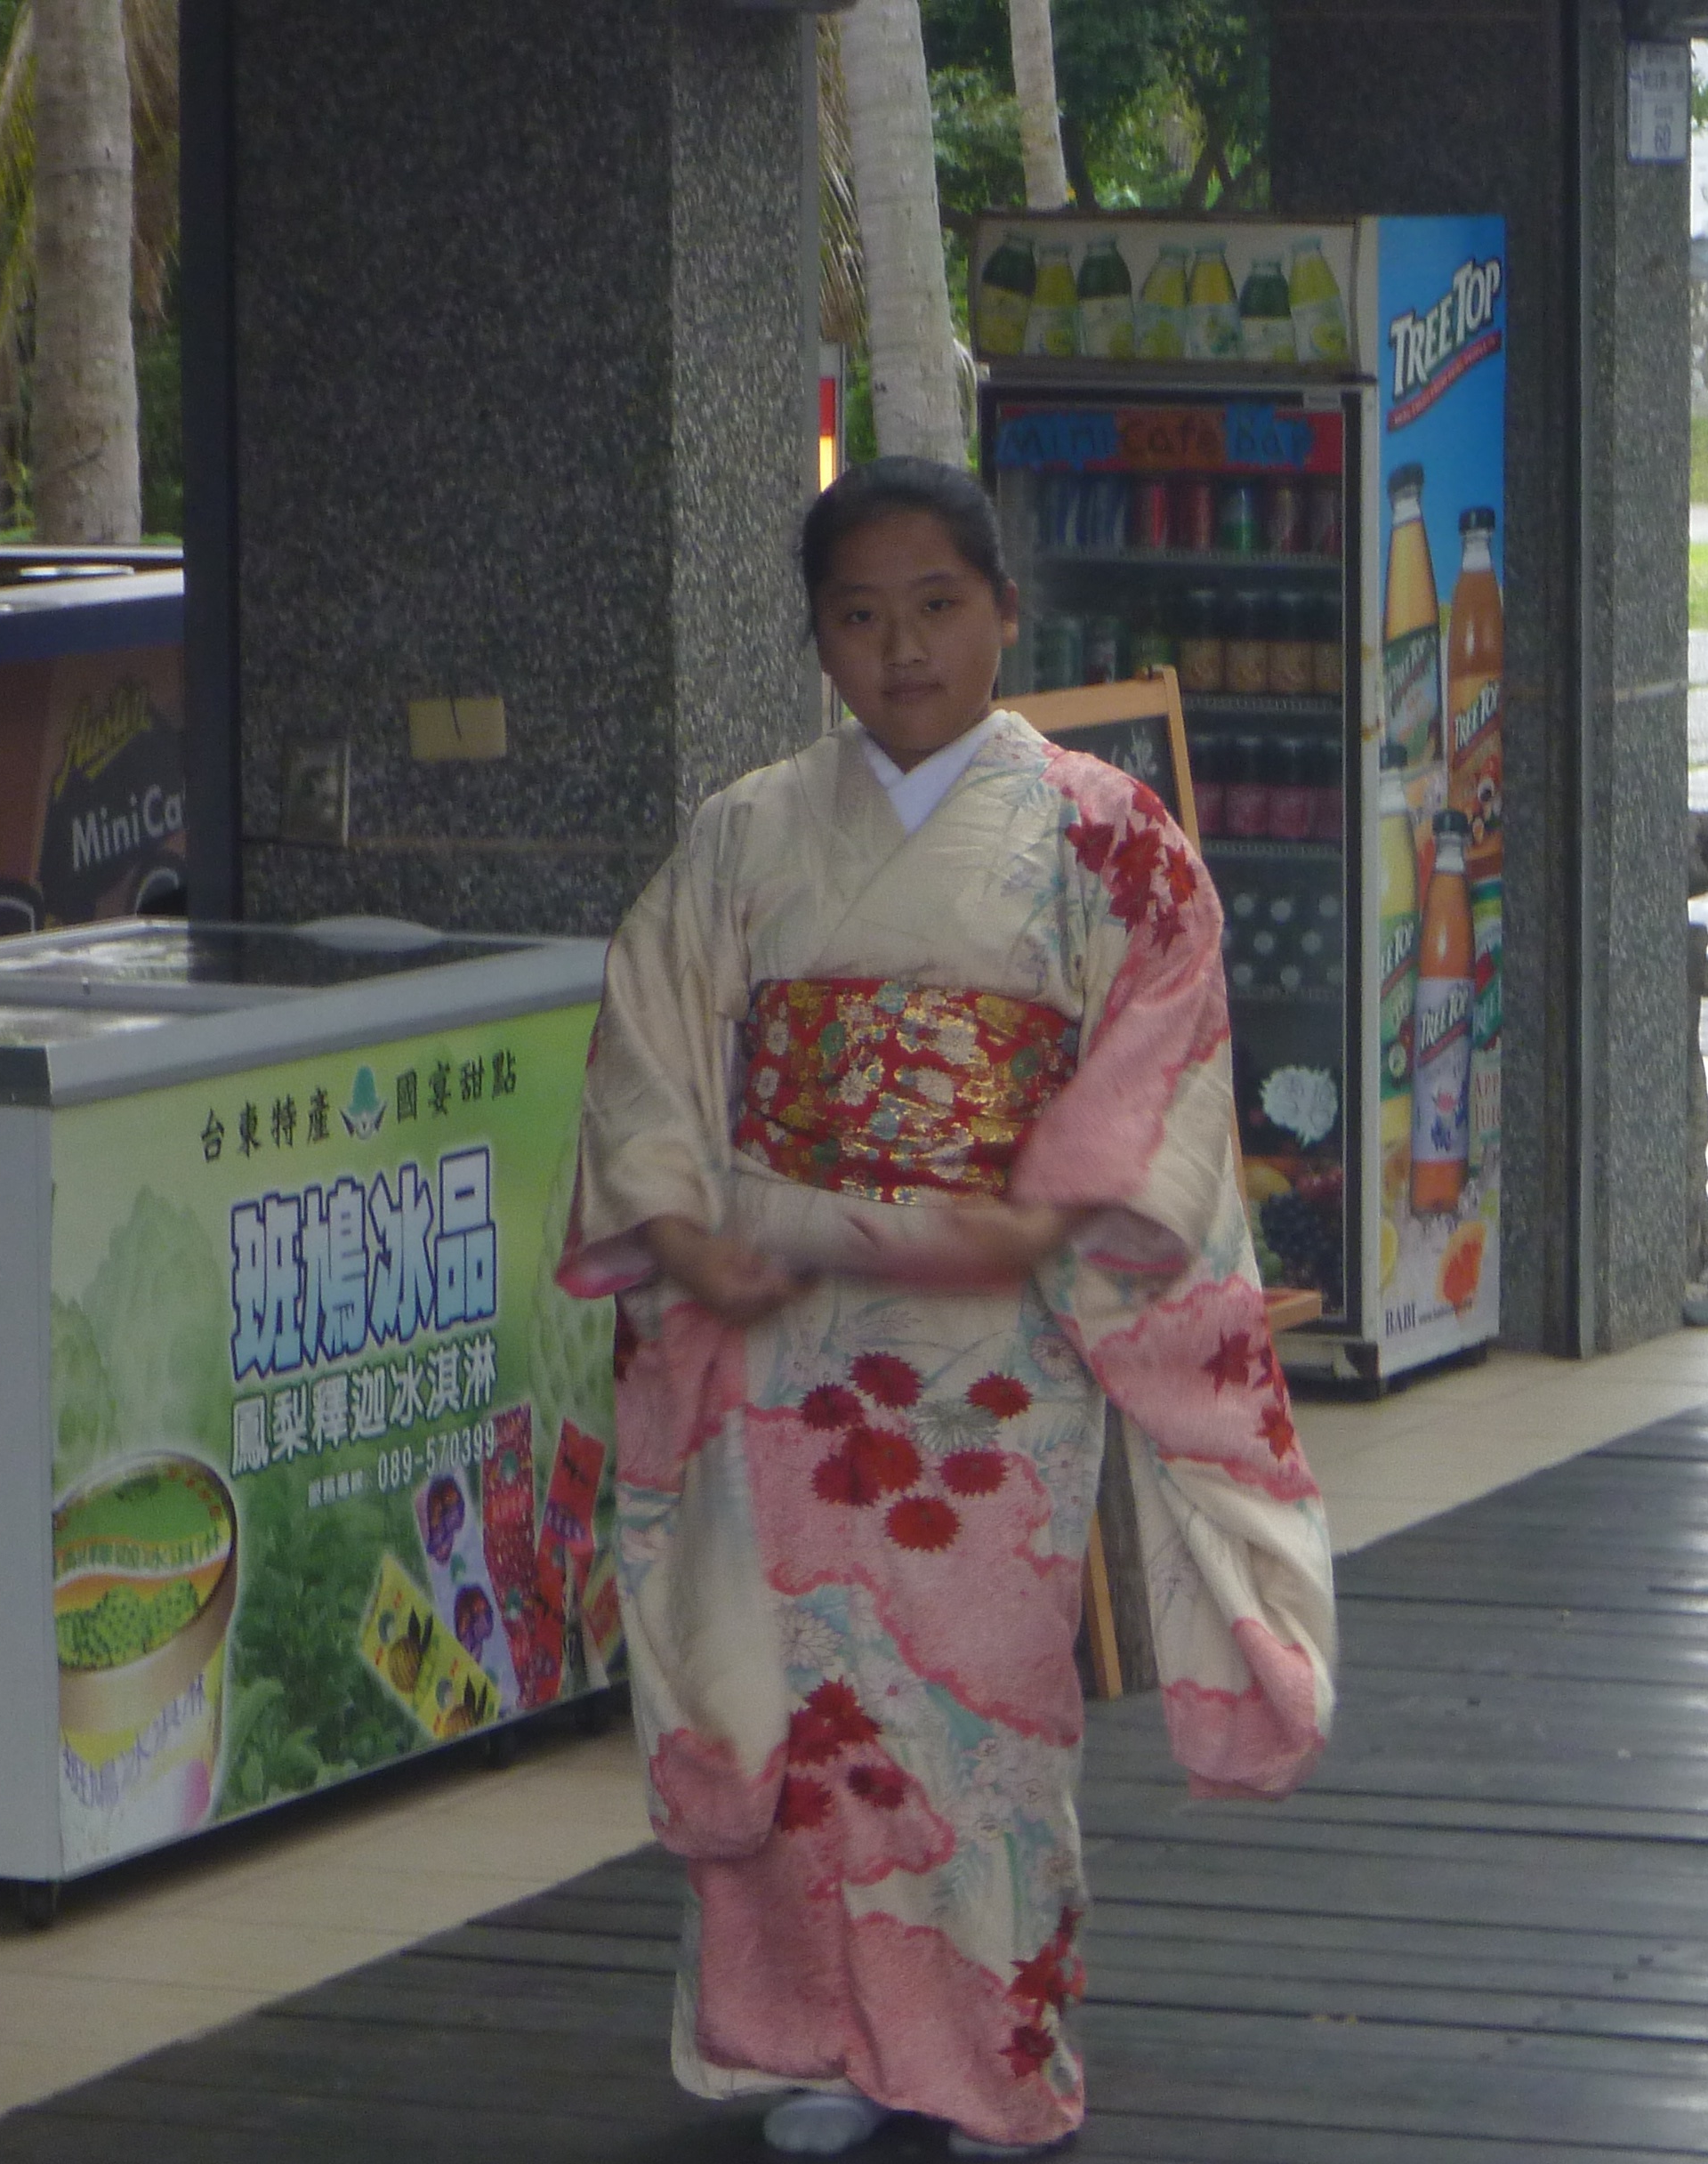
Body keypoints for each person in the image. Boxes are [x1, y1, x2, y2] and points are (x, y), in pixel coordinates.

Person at [562, 457, 1338, 2157]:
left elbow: (1158, 1051)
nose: (901, 648)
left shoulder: (1109, 839)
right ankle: (813, 2041)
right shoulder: (748, 833)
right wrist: (681, 1236)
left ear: (1006, 615)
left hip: (991, 1351)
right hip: (782, 1332)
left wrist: (1043, 1213)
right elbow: (650, 1042)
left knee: (983, 1705)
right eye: (859, 616)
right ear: (817, 639)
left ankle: (987, 2050)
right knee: (791, 1689)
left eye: (935, 607)